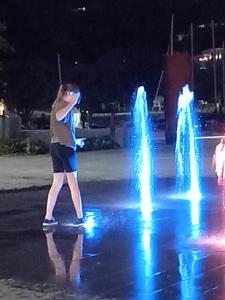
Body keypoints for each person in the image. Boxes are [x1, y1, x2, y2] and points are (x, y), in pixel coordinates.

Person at [43, 83, 85, 227]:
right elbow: (59, 117)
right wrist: (71, 103)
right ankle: (80, 218)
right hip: (65, 149)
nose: (77, 99)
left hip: (56, 146)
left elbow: (60, 127)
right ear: (69, 93)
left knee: (57, 183)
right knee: (73, 183)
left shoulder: (56, 104)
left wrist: (75, 140)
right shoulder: (64, 105)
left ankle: (48, 218)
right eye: (76, 96)